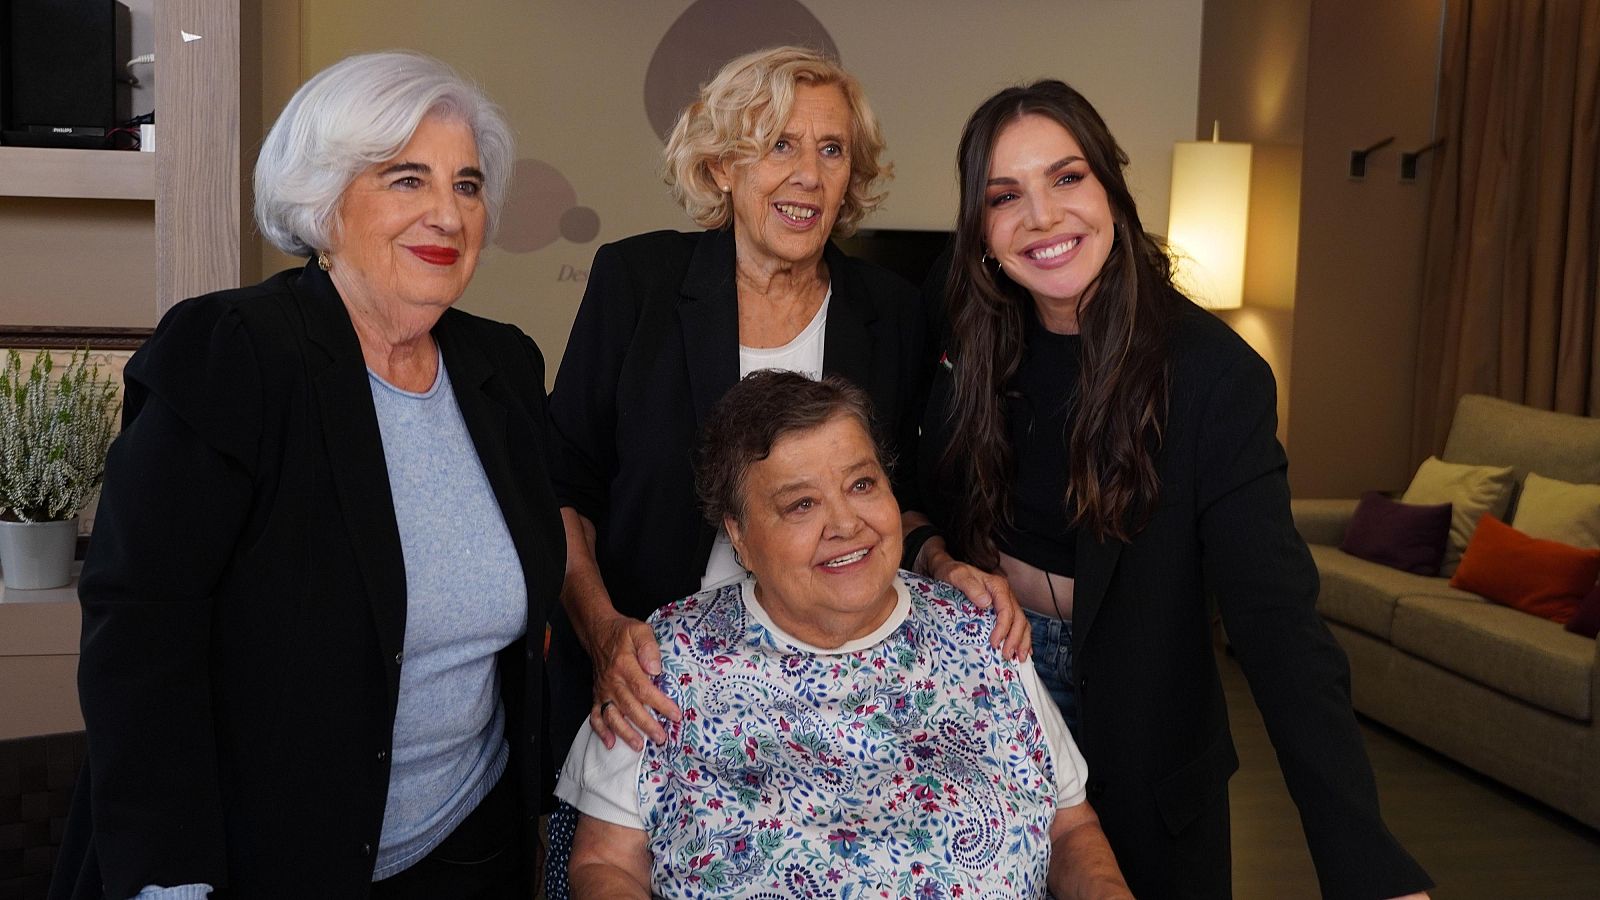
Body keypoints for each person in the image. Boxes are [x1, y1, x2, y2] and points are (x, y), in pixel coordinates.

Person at [50, 52, 563, 899]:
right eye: (406, 179)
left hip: (470, 848)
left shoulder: (502, 365)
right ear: (323, 202)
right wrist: (171, 883)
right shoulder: (232, 353)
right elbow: (142, 639)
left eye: (467, 185)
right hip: (257, 862)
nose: (446, 213)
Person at [910, 80, 1434, 898]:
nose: (1041, 217)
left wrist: (1367, 863)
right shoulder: (963, 336)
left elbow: (1278, 627)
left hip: (1146, 730)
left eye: (1067, 178)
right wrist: (939, 559)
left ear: (1114, 190)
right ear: (981, 230)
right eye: (1004, 196)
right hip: (987, 703)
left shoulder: (1213, 376)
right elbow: (908, 500)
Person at [544, 45, 1028, 896]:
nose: (807, 174)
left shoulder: (890, 312)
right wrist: (602, 630)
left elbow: (897, 496)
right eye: (777, 145)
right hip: (651, 690)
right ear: (723, 165)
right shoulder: (639, 283)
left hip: (823, 703)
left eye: (831, 150)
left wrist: (946, 562)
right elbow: (563, 489)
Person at [557, 370, 1131, 899]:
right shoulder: (666, 658)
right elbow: (605, 864)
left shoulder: (983, 630)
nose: (846, 523)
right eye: (801, 504)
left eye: (861, 485)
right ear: (740, 535)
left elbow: (1071, 825)